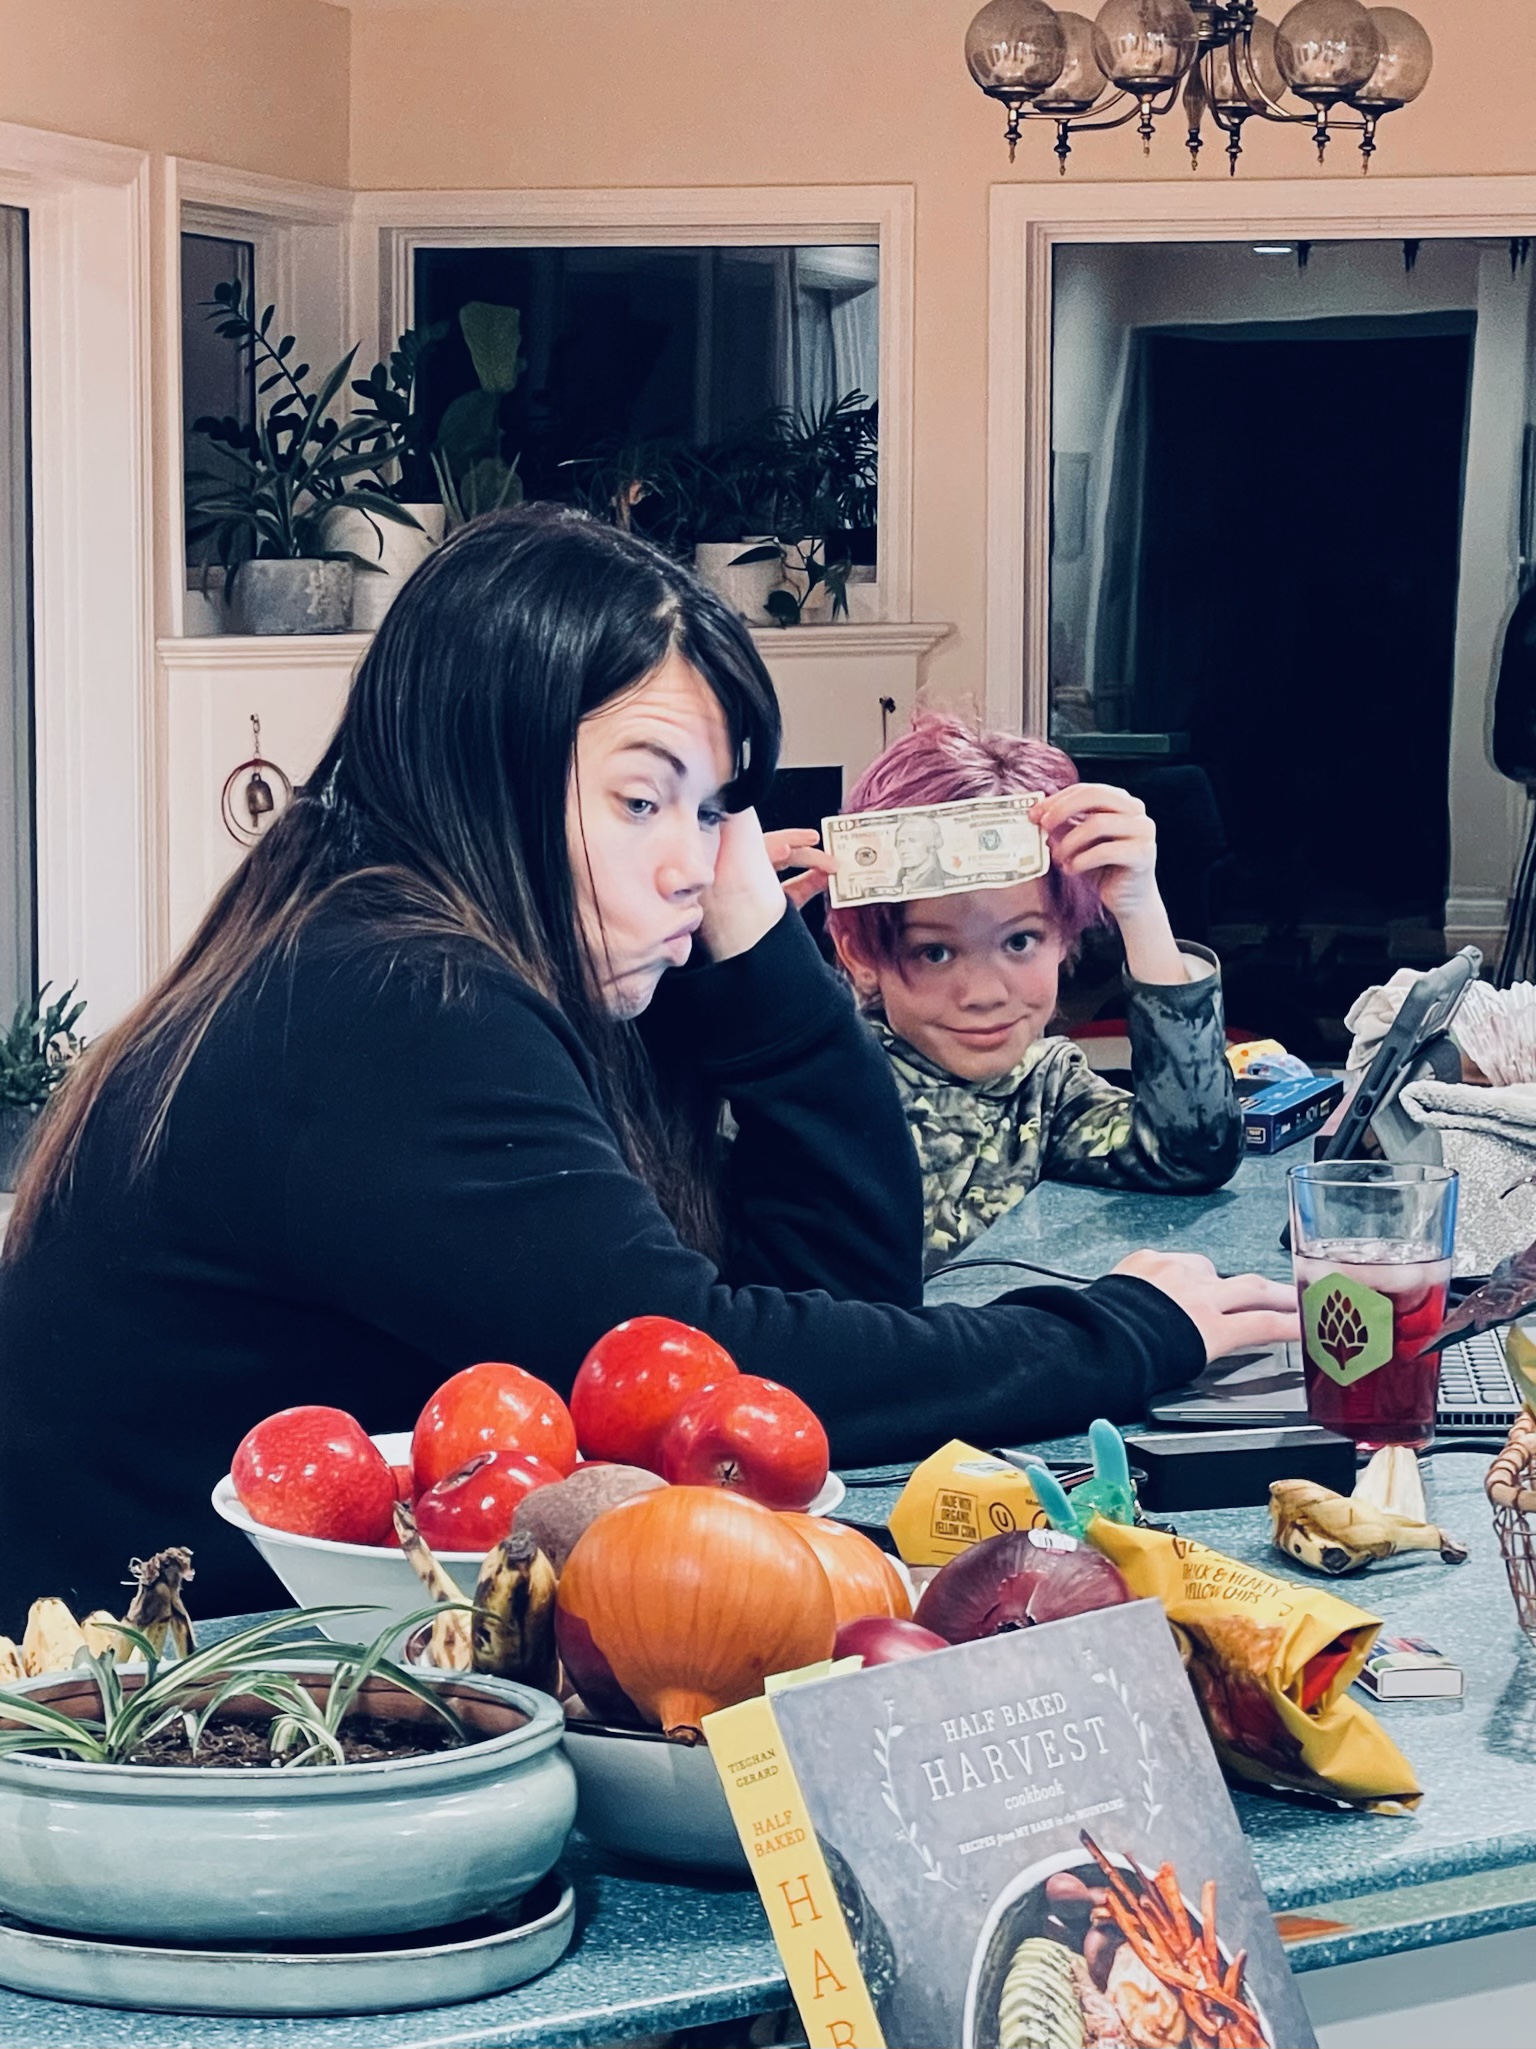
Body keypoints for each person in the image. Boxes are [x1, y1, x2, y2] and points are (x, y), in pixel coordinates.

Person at [0, 511, 1292, 1624]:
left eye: (715, 806)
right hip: (151, 1714)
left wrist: (755, 952)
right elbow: (696, 1378)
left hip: (304, 1669)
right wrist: (1119, 1333)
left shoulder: (466, 957)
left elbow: (826, 1308)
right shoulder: (395, 999)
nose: (693, 862)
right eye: (642, 798)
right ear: (487, 774)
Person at [825, 717, 1244, 1273]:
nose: (983, 994)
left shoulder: (1043, 1090)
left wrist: (1140, 909)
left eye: (1020, 941)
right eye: (934, 952)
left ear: (1064, 937)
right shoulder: (825, 1085)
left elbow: (1191, 1153)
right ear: (860, 954)